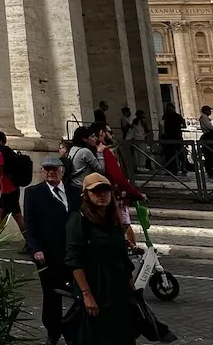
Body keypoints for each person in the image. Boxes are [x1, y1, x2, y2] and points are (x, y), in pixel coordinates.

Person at [65, 173, 137, 345]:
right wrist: (86, 294)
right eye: (95, 192)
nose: (101, 195)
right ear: (86, 195)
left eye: (105, 191)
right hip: (95, 286)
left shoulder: (113, 221)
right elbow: (74, 259)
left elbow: (122, 257)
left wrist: (132, 289)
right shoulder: (79, 220)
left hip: (117, 287)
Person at [23, 156, 81, 345]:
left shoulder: (75, 192)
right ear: (42, 171)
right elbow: (30, 225)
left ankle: (75, 328)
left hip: (73, 252)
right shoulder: (33, 193)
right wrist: (36, 248)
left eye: (54, 169)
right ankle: (53, 332)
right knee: (51, 295)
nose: (50, 172)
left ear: (62, 170)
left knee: (80, 292)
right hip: (47, 254)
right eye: (46, 169)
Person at [97, 125, 146, 251]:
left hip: (111, 193)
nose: (112, 135)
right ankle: (132, 250)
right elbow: (117, 176)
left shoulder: (102, 150)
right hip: (115, 194)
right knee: (122, 224)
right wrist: (134, 193)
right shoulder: (106, 151)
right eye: (109, 132)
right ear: (101, 133)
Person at [67, 125, 103, 191]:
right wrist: (100, 152)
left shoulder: (73, 149)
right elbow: (101, 170)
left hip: (73, 185)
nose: (95, 138)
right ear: (85, 139)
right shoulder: (85, 151)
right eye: (92, 136)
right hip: (82, 187)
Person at [161, 102, 186, 172]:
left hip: (175, 136)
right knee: (172, 153)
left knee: (179, 153)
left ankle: (182, 167)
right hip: (171, 137)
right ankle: (174, 168)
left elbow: (184, 124)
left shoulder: (176, 116)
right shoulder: (167, 116)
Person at [198, 104, 213, 178]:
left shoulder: (205, 117)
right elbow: (209, 127)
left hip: (208, 136)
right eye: (209, 110)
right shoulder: (204, 117)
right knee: (210, 154)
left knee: (211, 154)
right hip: (208, 137)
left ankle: (212, 168)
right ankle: (210, 169)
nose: (210, 112)